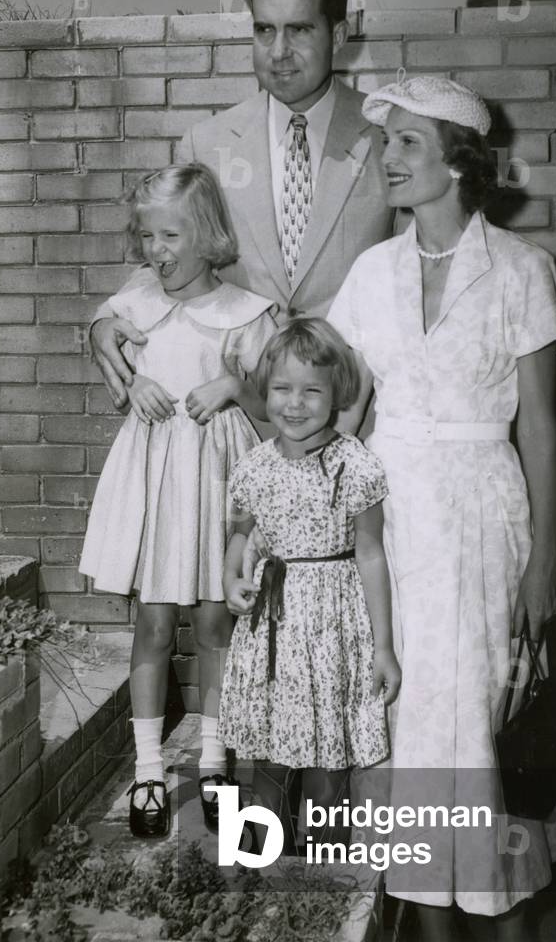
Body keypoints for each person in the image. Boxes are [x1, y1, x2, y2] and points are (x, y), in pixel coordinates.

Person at [327, 75, 556, 940]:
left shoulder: (522, 269)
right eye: (384, 141)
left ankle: (505, 921)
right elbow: (345, 412)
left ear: (460, 162)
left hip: (483, 521)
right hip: (391, 523)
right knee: (406, 727)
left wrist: (545, 560)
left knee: (481, 727)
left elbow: (540, 425)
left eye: (407, 142)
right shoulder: (371, 272)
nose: (387, 158)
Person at [90, 0, 394, 412]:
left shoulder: (387, 137)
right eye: (264, 30)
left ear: (338, 34)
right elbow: (168, 255)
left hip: (352, 410)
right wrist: (106, 319)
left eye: (299, 30)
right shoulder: (207, 144)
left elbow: (414, 281)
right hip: (235, 420)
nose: (279, 52)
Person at [79, 164, 276, 837]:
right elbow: (106, 339)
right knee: (154, 625)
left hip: (218, 478)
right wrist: (133, 384)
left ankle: (215, 764)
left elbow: (275, 400)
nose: (157, 250)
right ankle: (148, 773)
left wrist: (233, 387)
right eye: (147, 235)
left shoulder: (244, 313)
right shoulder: (134, 301)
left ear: (208, 234)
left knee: (216, 623)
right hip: (155, 477)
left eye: (171, 235)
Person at [218, 318, 401, 852]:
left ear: (337, 393)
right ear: (264, 392)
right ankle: (263, 857)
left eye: (311, 391)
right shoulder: (253, 466)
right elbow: (240, 534)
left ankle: (326, 868)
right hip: (272, 629)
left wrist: (383, 648)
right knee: (269, 754)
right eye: (282, 389)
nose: (294, 404)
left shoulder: (354, 465)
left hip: (332, 631)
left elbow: (371, 553)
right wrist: (231, 578)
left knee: (328, 757)